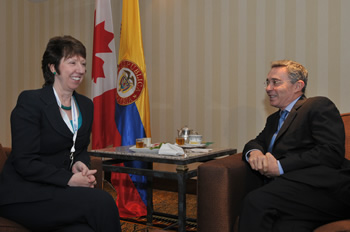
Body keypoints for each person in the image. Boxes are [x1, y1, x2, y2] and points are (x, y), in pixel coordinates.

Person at [0, 35, 121, 232]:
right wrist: (69, 179)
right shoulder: (31, 102)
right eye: (72, 62)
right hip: (24, 193)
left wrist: (80, 164)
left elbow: (80, 148)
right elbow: (24, 161)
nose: (80, 70)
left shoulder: (86, 105)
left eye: (83, 63)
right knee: (102, 202)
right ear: (52, 67)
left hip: (57, 190)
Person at [239, 60, 350, 232]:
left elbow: (331, 152)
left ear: (298, 86)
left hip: (325, 189)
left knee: (256, 201)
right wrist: (255, 153)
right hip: (293, 191)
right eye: (267, 82)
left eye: (275, 82)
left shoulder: (317, 105)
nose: (268, 88)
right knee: (284, 226)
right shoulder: (274, 119)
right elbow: (257, 142)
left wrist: (279, 166)